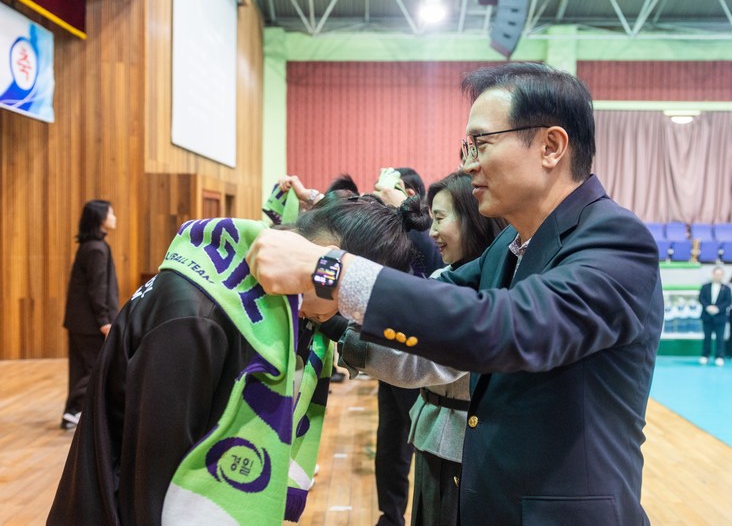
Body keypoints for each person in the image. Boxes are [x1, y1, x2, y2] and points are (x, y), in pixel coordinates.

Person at [248, 62, 664, 525]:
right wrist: (332, 318)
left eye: (481, 144)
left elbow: (503, 326)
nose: (468, 164)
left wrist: (332, 272)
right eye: (467, 147)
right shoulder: (509, 246)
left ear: (551, 146)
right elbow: (434, 316)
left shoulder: (616, 242)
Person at [48, 192, 426, 525]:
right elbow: (149, 482)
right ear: (325, 257)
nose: (335, 318)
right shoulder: (199, 314)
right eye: (345, 300)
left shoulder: (236, 286)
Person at [338, 171, 507, 526]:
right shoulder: (446, 277)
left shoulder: (489, 291)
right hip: (431, 432)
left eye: (440, 219)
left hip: (462, 445)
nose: (432, 231)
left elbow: (418, 361)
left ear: (474, 220)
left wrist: (335, 323)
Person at [370, 166, 444, 525]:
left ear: (410, 194)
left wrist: (402, 206)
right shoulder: (392, 232)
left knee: (424, 447)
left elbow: (431, 264)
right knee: (390, 443)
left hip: (422, 361)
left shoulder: (429, 234)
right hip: (389, 350)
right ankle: (390, 515)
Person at [61, 199, 118, 430]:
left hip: (81, 321)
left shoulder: (91, 246)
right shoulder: (96, 249)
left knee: (81, 368)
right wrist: (104, 321)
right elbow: (97, 289)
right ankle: (75, 410)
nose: (114, 217)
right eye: (111, 213)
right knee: (94, 368)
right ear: (100, 218)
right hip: (91, 323)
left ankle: (71, 413)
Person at [698, 265, 732, 366]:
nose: (718, 276)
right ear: (712, 274)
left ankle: (719, 356)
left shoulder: (726, 288)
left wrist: (718, 309)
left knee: (720, 338)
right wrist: (708, 307)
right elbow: (701, 298)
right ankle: (705, 355)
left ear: (723, 276)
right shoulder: (705, 286)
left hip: (720, 316)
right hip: (707, 316)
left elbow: (728, 301)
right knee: (707, 337)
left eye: (720, 274)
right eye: (716, 274)